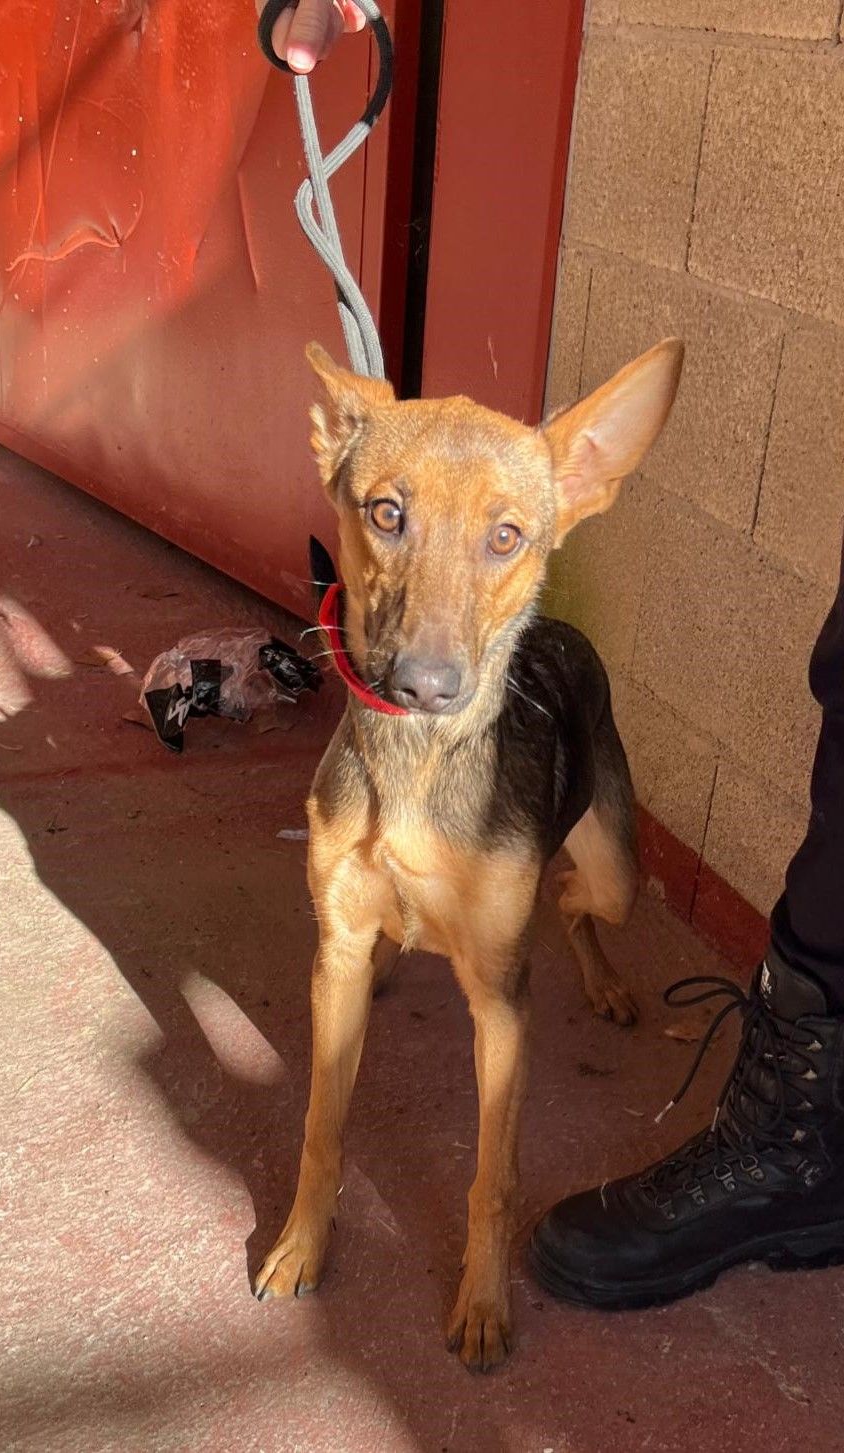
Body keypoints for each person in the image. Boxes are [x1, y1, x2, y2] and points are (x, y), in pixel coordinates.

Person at [257, 0, 844, 1309]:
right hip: (366, 786)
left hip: (514, 793)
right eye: (392, 516)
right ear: (341, 464)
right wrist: (312, 1193)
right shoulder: (353, 445)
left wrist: (488, 1256)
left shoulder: (561, 548)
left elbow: (500, 1021)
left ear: (572, 497)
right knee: (347, 950)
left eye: (501, 538)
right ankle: (313, 1187)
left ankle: (487, 1221)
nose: (432, 631)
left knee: (607, 907)